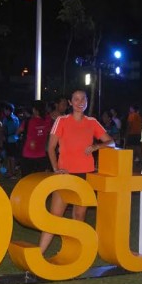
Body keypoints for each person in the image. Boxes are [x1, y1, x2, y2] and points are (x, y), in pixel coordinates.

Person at [39, 89, 115, 254]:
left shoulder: (92, 122)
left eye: (83, 99)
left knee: (79, 216)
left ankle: (76, 253)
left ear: (87, 102)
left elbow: (111, 141)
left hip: (85, 175)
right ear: (70, 102)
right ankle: (39, 253)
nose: (80, 102)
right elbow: (51, 148)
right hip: (65, 174)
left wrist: (96, 146)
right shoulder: (62, 120)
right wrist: (56, 169)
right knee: (55, 216)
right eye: (76, 99)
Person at [17, 100, 52, 177]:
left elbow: (18, 131)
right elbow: (50, 131)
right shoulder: (48, 120)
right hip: (41, 154)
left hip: (28, 154)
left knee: (26, 178)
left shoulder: (28, 121)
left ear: (34, 110)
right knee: (39, 179)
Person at [2, 102, 20, 179]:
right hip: (14, 139)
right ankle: (10, 172)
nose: (5, 112)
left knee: (11, 157)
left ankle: (12, 173)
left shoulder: (8, 119)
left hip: (9, 140)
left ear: (9, 110)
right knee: (11, 157)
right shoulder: (16, 118)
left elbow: (5, 130)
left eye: (6, 110)